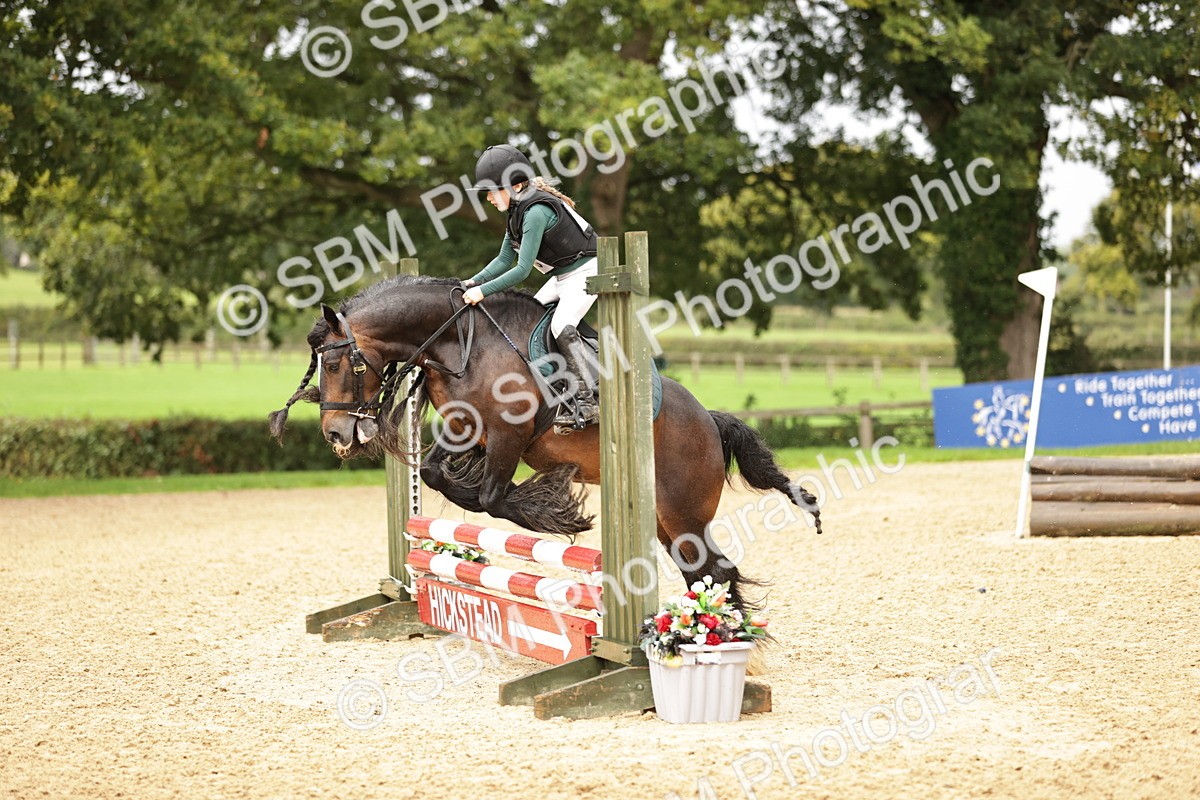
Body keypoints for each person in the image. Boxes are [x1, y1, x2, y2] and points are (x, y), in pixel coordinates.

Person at [462, 144, 600, 430]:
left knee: (562, 325)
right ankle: (553, 385)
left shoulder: (535, 211)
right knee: (528, 320)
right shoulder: (516, 211)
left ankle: (587, 402)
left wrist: (482, 292)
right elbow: (503, 259)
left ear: (515, 185)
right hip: (563, 276)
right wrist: (472, 281)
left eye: (492, 190)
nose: (488, 198)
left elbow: (521, 271)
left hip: (588, 271)